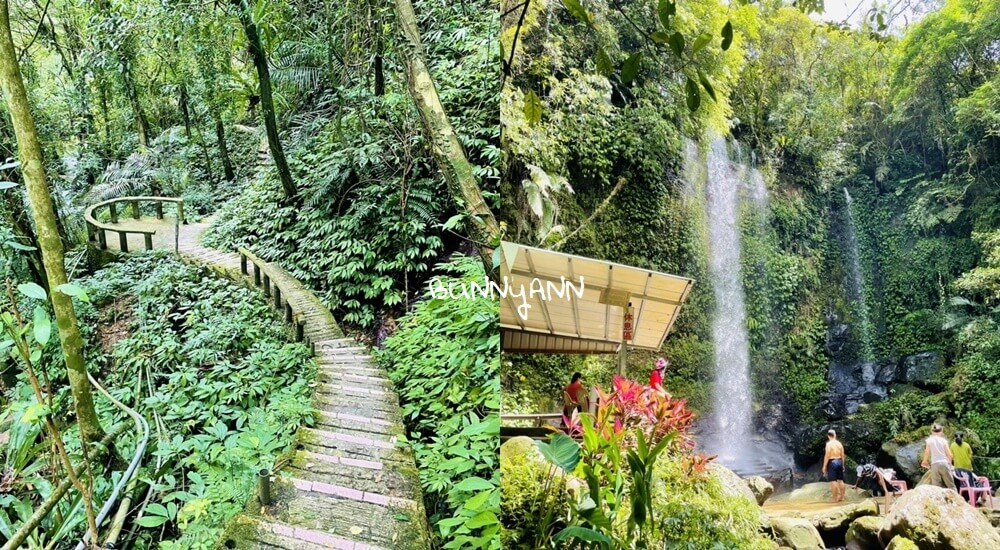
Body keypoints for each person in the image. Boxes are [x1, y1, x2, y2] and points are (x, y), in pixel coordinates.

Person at [919, 424, 956, 490]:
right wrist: (949, 463)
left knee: (936, 487)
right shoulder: (944, 441)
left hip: (935, 464)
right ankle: (956, 499)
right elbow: (949, 455)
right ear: (941, 431)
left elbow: (927, 452)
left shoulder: (929, 440)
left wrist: (925, 461)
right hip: (944, 463)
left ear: (932, 431)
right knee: (951, 485)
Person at [822, 429, 846, 503]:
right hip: (839, 461)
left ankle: (834, 498)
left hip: (832, 462)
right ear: (835, 435)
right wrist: (843, 465)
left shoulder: (829, 444)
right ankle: (842, 497)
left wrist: (824, 466)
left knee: (833, 481)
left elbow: (827, 455)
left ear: (828, 436)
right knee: (841, 480)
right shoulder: (839, 444)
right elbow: (842, 455)